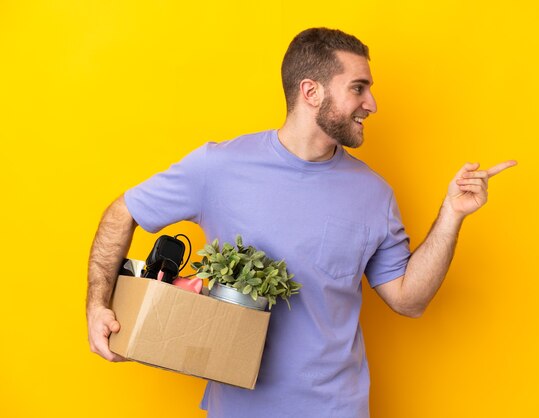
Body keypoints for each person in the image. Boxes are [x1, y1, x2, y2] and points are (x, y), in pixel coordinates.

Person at [87, 27, 516, 417]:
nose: (372, 104)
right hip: (237, 409)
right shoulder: (218, 168)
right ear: (311, 92)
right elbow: (123, 212)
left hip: (337, 409)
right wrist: (98, 305)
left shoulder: (374, 193)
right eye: (358, 88)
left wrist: (451, 215)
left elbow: (408, 299)